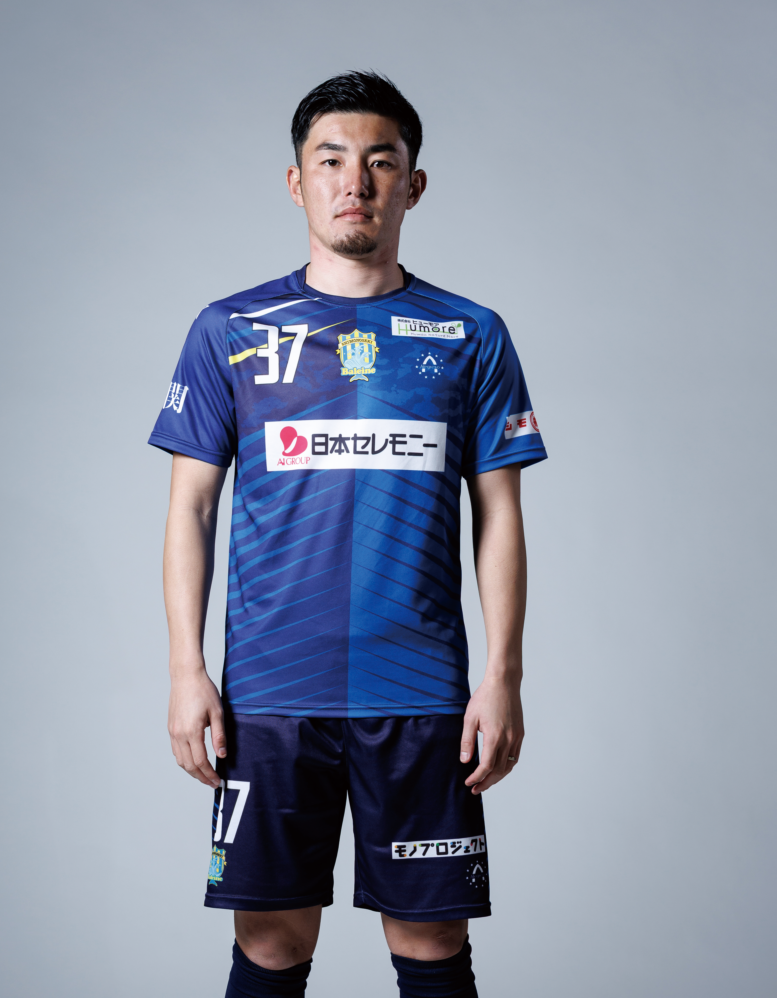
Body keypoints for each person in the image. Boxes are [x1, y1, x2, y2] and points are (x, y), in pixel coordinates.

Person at [149, 71, 547, 998]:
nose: (354, 182)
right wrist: (185, 670)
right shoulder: (231, 329)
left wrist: (503, 677)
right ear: (298, 183)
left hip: (420, 695)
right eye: (330, 161)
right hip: (269, 695)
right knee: (271, 944)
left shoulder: (471, 332)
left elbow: (501, 515)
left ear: (413, 184)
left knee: (432, 942)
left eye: (380, 161)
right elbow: (191, 509)